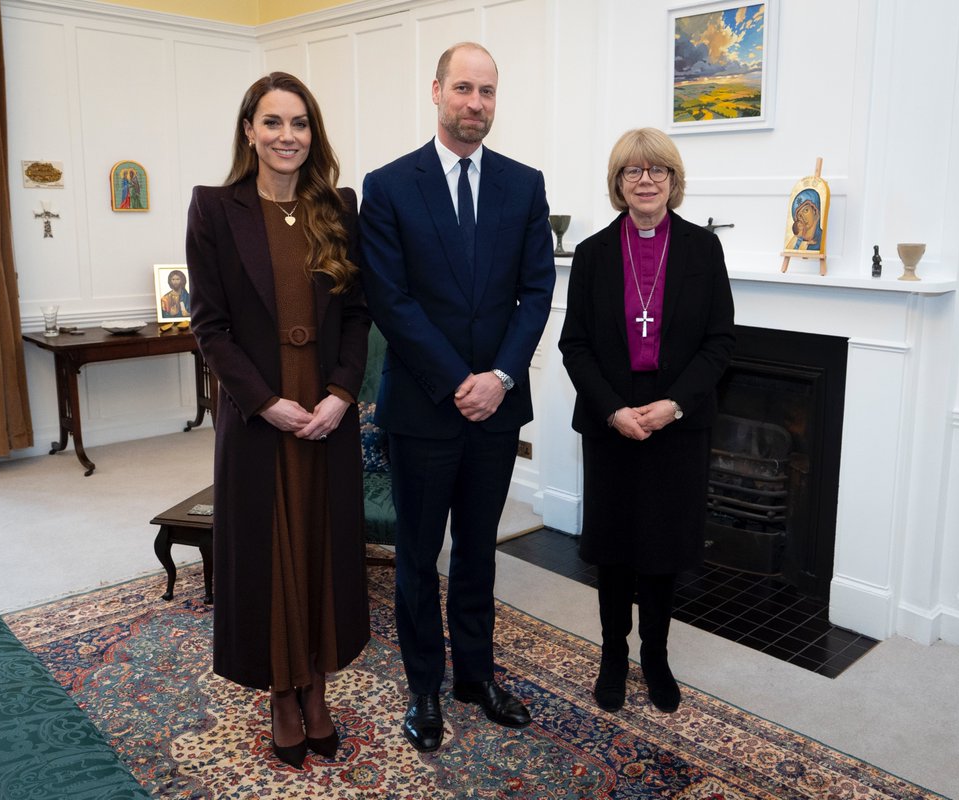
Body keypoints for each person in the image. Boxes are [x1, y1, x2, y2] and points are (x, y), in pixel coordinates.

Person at [359, 42, 555, 753]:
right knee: (418, 555)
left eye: (489, 92)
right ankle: (423, 689)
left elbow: (536, 293)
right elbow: (391, 299)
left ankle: (475, 675)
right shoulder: (386, 186)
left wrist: (498, 378)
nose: (477, 103)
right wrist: (456, 382)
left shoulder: (524, 184)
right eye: (465, 89)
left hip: (497, 408)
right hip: (421, 407)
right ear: (437, 91)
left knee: (479, 549)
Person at [185, 71, 370, 769]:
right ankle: (280, 695)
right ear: (248, 131)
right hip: (260, 412)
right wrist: (265, 401)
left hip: (326, 409)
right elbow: (211, 326)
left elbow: (357, 314)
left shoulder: (338, 208)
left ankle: (316, 687)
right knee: (271, 555)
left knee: (321, 548)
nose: (287, 136)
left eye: (299, 124)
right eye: (273, 123)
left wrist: (340, 395)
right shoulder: (214, 209)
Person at [558, 128, 735, 714]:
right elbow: (574, 344)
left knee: (662, 546)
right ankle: (613, 654)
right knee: (614, 546)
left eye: (657, 170)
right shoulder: (591, 254)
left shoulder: (703, 250)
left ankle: (655, 657)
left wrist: (675, 404)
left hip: (676, 417)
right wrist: (612, 409)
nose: (646, 180)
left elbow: (719, 342)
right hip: (613, 415)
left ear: (674, 181)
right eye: (632, 172)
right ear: (618, 184)